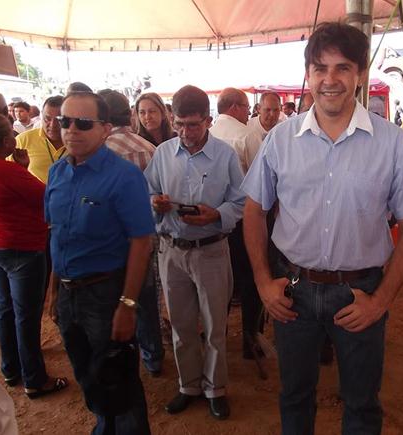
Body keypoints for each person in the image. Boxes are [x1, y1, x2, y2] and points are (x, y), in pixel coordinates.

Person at [242, 22, 403, 434]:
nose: (330, 80)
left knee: (362, 404)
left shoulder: (392, 143)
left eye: (342, 68)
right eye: (320, 68)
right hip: (292, 292)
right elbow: (254, 210)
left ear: (360, 74)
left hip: (359, 292)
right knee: (294, 396)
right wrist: (262, 282)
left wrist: (380, 301)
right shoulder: (281, 140)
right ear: (308, 74)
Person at [46, 92, 154, 434]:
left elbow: (141, 242)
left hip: (106, 294)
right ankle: (103, 426)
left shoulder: (124, 177)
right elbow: (57, 235)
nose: (71, 130)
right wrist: (54, 291)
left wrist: (127, 305)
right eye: (65, 121)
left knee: (118, 379)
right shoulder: (57, 173)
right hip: (68, 294)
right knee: (86, 373)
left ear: (105, 129)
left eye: (82, 123)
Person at [144, 85, 245, 420]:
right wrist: (155, 202)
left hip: (211, 251)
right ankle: (188, 385)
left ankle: (215, 389)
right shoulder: (163, 153)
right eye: (179, 124)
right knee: (181, 324)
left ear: (208, 120)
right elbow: (148, 190)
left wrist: (216, 214)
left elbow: (242, 201)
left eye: (193, 125)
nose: (185, 133)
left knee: (215, 325)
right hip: (171, 251)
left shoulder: (225, 155)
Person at [0, 113, 68, 398]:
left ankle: (11, 369)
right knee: (27, 316)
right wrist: (22, 170)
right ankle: (35, 379)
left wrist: (20, 168)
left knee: (5, 309)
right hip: (22, 249)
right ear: (5, 141)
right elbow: (48, 198)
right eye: (11, 133)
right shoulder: (6, 171)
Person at [99, 89, 165, 377]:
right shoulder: (148, 149)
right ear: (129, 114)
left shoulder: (96, 152)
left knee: (112, 298)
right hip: (145, 237)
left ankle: (121, 354)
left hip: (108, 241)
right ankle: (153, 356)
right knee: (146, 299)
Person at [209, 88, 264, 359]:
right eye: (246, 106)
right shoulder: (246, 135)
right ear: (234, 107)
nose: (248, 112)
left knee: (219, 284)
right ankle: (250, 340)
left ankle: (217, 339)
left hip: (212, 221)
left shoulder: (207, 135)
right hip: (243, 220)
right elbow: (261, 179)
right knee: (250, 279)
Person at [14, 96, 65, 183]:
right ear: (41, 116)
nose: (53, 125)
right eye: (47, 119)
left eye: (59, 120)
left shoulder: (77, 143)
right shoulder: (23, 140)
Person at [245, 92, 282, 169]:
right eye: (268, 110)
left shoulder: (285, 128)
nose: (272, 114)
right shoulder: (248, 126)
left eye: (276, 110)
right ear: (259, 109)